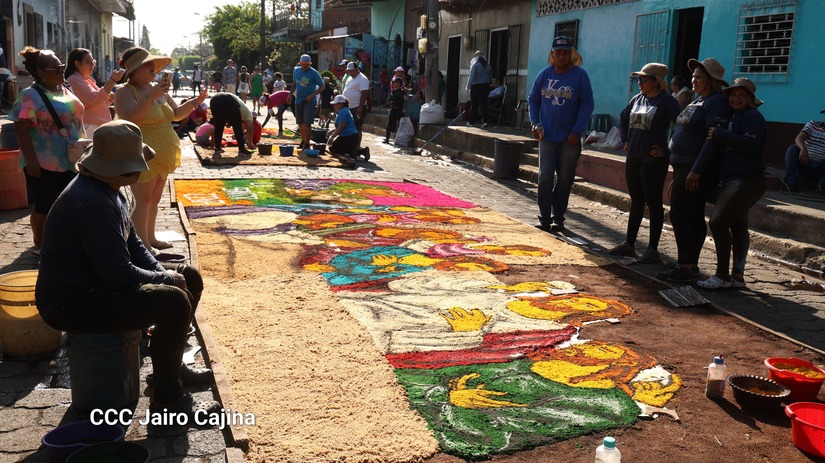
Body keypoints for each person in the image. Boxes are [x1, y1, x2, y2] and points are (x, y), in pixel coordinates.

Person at [35, 120, 220, 420]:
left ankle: (169, 367)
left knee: (188, 278)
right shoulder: (92, 202)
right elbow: (119, 275)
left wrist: (167, 274)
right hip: (70, 302)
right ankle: (169, 398)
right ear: (122, 168)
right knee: (173, 302)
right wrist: (165, 280)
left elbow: (134, 246)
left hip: (95, 283)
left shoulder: (110, 189)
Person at [114, 47, 208, 254]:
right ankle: (141, 247)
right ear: (134, 70)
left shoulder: (158, 90)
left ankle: (151, 238)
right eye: (147, 65)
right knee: (142, 201)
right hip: (141, 153)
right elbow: (130, 119)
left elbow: (175, 114)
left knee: (154, 200)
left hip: (162, 155)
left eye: (153, 65)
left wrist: (194, 103)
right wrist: (150, 97)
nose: (153, 69)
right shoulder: (124, 92)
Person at [657, 57, 731, 281]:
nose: (694, 80)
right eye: (693, 76)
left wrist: (696, 170)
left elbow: (712, 140)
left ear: (712, 81)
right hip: (682, 167)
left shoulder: (716, 103)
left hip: (696, 168)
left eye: (699, 77)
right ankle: (685, 263)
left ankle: (687, 265)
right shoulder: (698, 100)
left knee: (681, 213)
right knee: (688, 213)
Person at [10, 47, 85, 253]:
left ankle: (62, 242)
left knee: (66, 204)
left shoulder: (64, 88)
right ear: (41, 72)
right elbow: (21, 128)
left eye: (62, 66)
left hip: (70, 159)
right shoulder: (30, 96)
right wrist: (31, 160)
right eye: (57, 68)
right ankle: (41, 245)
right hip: (43, 162)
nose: (62, 70)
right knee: (45, 205)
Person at [696, 78, 766, 289]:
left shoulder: (754, 117)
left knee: (717, 223)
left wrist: (720, 134)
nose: (736, 99)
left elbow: (751, 145)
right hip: (733, 180)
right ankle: (737, 276)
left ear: (750, 99)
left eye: (741, 95)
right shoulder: (733, 116)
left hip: (746, 180)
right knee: (738, 225)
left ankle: (722, 275)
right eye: (733, 95)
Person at [609, 63, 681, 264]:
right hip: (634, 157)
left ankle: (653, 249)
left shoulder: (667, 102)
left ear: (656, 81)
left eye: (643, 79)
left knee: (654, 203)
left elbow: (682, 127)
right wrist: (625, 140)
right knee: (636, 201)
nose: (639, 83)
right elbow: (624, 118)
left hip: (653, 161)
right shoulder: (636, 99)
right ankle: (629, 244)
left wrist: (666, 150)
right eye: (639, 80)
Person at [527, 36, 594, 232]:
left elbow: (587, 104)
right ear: (552, 55)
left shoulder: (580, 76)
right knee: (545, 177)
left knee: (565, 179)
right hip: (546, 137)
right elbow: (533, 99)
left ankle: (558, 217)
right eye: (558, 53)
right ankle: (544, 217)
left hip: (569, 139)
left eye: (566, 53)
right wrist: (534, 123)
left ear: (571, 55)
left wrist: (577, 131)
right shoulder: (544, 75)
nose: (562, 57)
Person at [65, 48, 126, 135]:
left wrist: (109, 99)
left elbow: (97, 102)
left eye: (92, 62)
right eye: (88, 62)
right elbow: (94, 99)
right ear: (77, 64)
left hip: (96, 127)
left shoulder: (86, 79)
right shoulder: (74, 80)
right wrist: (112, 80)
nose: (92, 65)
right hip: (89, 127)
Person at [289, 54, 325, 150]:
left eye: (307, 64)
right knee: (300, 122)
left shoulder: (314, 73)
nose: (305, 66)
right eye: (303, 64)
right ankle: (303, 140)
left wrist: (312, 95)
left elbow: (322, 87)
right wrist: (290, 95)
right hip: (298, 99)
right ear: (300, 63)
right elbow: (294, 84)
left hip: (310, 100)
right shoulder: (296, 71)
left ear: (310, 64)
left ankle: (307, 143)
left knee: (307, 123)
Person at [784, 112, 825, 194]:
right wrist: (803, 149)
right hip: (805, 162)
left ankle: (822, 185)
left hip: (822, 168)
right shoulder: (813, 124)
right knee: (792, 149)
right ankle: (791, 182)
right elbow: (799, 138)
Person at [342, 61, 370, 158]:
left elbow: (364, 93)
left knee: (357, 128)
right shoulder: (350, 78)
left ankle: (356, 148)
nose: (350, 73)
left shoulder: (362, 79)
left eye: (352, 71)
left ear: (356, 69)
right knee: (349, 127)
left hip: (357, 107)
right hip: (348, 107)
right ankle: (352, 147)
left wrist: (360, 107)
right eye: (349, 71)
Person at [466, 50, 493, 127]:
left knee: (474, 104)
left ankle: (471, 122)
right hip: (485, 86)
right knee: (483, 104)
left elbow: (471, 76)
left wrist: (468, 87)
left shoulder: (475, 64)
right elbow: (491, 75)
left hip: (476, 86)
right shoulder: (487, 65)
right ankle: (485, 121)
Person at [384, 78, 405, 143]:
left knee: (400, 125)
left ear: (399, 84)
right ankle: (387, 138)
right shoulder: (393, 91)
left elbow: (400, 102)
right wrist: (389, 102)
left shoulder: (401, 92)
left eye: (395, 82)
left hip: (399, 109)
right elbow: (390, 99)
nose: (394, 84)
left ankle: (398, 139)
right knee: (389, 124)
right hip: (393, 109)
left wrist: (392, 102)